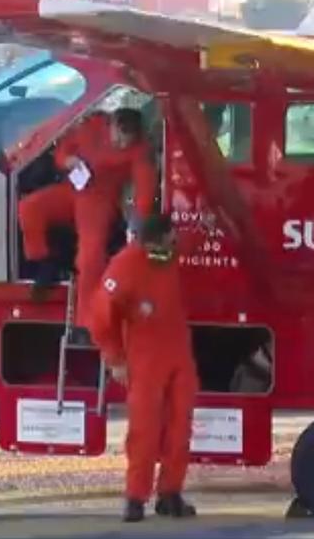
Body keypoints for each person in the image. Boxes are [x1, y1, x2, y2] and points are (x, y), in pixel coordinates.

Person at [89, 212, 199, 522]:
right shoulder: (126, 265)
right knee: (145, 431)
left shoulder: (170, 255)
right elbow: (100, 315)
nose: (170, 245)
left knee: (180, 428)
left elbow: (190, 242)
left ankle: (170, 494)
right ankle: (136, 498)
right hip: (145, 357)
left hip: (178, 352)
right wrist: (114, 359)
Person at [17, 107, 156, 328]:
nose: (121, 146)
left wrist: (138, 222)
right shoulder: (91, 127)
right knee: (29, 208)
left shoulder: (140, 150)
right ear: (111, 125)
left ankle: (87, 322)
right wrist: (67, 160)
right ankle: (44, 263)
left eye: (126, 142)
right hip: (73, 189)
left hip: (99, 202)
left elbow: (145, 187)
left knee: (90, 258)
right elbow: (63, 150)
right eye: (119, 139)